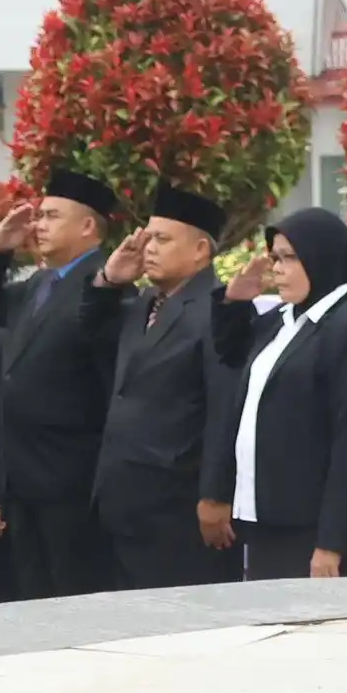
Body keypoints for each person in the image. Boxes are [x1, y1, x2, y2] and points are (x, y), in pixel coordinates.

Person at [208, 207, 347, 583]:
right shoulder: (282, 320)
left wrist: (331, 544)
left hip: (318, 532)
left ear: (321, 258)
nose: (278, 268)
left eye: (290, 257)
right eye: (275, 257)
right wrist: (234, 303)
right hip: (268, 521)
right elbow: (232, 359)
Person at [0, 168, 124, 599]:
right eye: (39, 215)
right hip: (22, 473)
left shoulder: (104, 285)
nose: (38, 225)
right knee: (34, 597)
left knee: (73, 596)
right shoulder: (37, 283)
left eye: (52, 216)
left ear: (88, 226)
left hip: (71, 476)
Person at [84, 184, 239, 588]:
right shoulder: (144, 303)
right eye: (147, 238)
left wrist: (215, 495)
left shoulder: (217, 311)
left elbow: (224, 410)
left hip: (175, 506)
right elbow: (93, 339)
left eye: (163, 240)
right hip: (121, 498)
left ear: (201, 251)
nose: (149, 248)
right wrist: (109, 280)